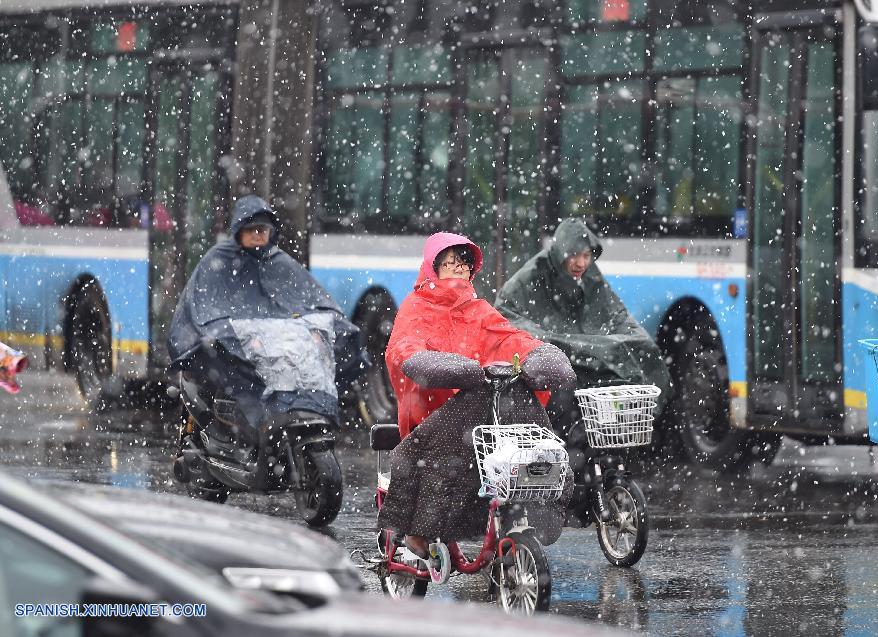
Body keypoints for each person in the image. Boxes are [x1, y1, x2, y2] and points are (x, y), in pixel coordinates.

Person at [377, 232, 576, 558]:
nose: (457, 271)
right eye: (449, 264)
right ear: (433, 268)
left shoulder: (478, 310)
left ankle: (542, 489)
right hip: (435, 420)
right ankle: (421, 531)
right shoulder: (417, 308)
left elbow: (510, 339)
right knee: (476, 398)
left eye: (463, 265)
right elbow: (403, 348)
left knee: (517, 395)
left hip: (487, 424)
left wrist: (535, 356)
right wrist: (440, 366)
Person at [167, 194, 367, 430]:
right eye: (251, 229)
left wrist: (328, 325)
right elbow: (205, 308)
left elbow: (313, 300)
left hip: (279, 345)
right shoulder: (218, 260)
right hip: (249, 345)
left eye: (263, 229)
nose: (258, 234)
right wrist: (226, 330)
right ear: (238, 230)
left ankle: (302, 409)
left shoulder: (280, 262)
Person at [494, 218, 673, 438]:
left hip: (584, 363)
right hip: (556, 371)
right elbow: (506, 313)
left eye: (587, 256)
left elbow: (616, 315)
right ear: (561, 254)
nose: (581, 263)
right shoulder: (531, 277)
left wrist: (634, 343)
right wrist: (549, 341)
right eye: (574, 256)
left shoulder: (591, 277)